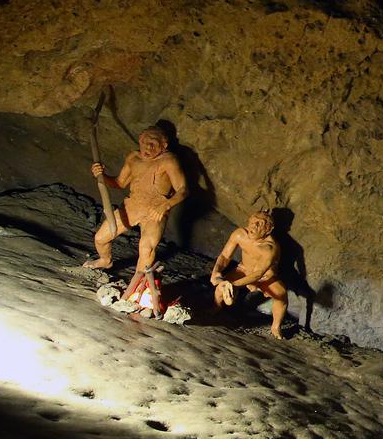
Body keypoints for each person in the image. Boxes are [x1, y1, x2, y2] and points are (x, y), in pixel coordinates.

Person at [83, 126, 187, 273]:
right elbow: (119, 183)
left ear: (164, 146)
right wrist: (101, 175)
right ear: (140, 141)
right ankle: (105, 260)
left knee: (146, 248)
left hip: (155, 210)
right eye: (146, 142)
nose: (148, 147)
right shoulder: (133, 158)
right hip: (133, 205)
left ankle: (137, 285)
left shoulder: (169, 161)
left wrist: (166, 205)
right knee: (100, 238)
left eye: (154, 143)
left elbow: (183, 189)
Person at [210, 210, 290, 339]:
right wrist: (216, 272)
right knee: (221, 288)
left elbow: (258, 274)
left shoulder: (269, 248)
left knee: (281, 294)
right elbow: (225, 256)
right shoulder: (240, 235)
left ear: (268, 230)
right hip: (244, 270)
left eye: (259, 224)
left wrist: (233, 285)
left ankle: (276, 327)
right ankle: (216, 307)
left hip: (264, 276)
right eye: (252, 222)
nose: (253, 226)